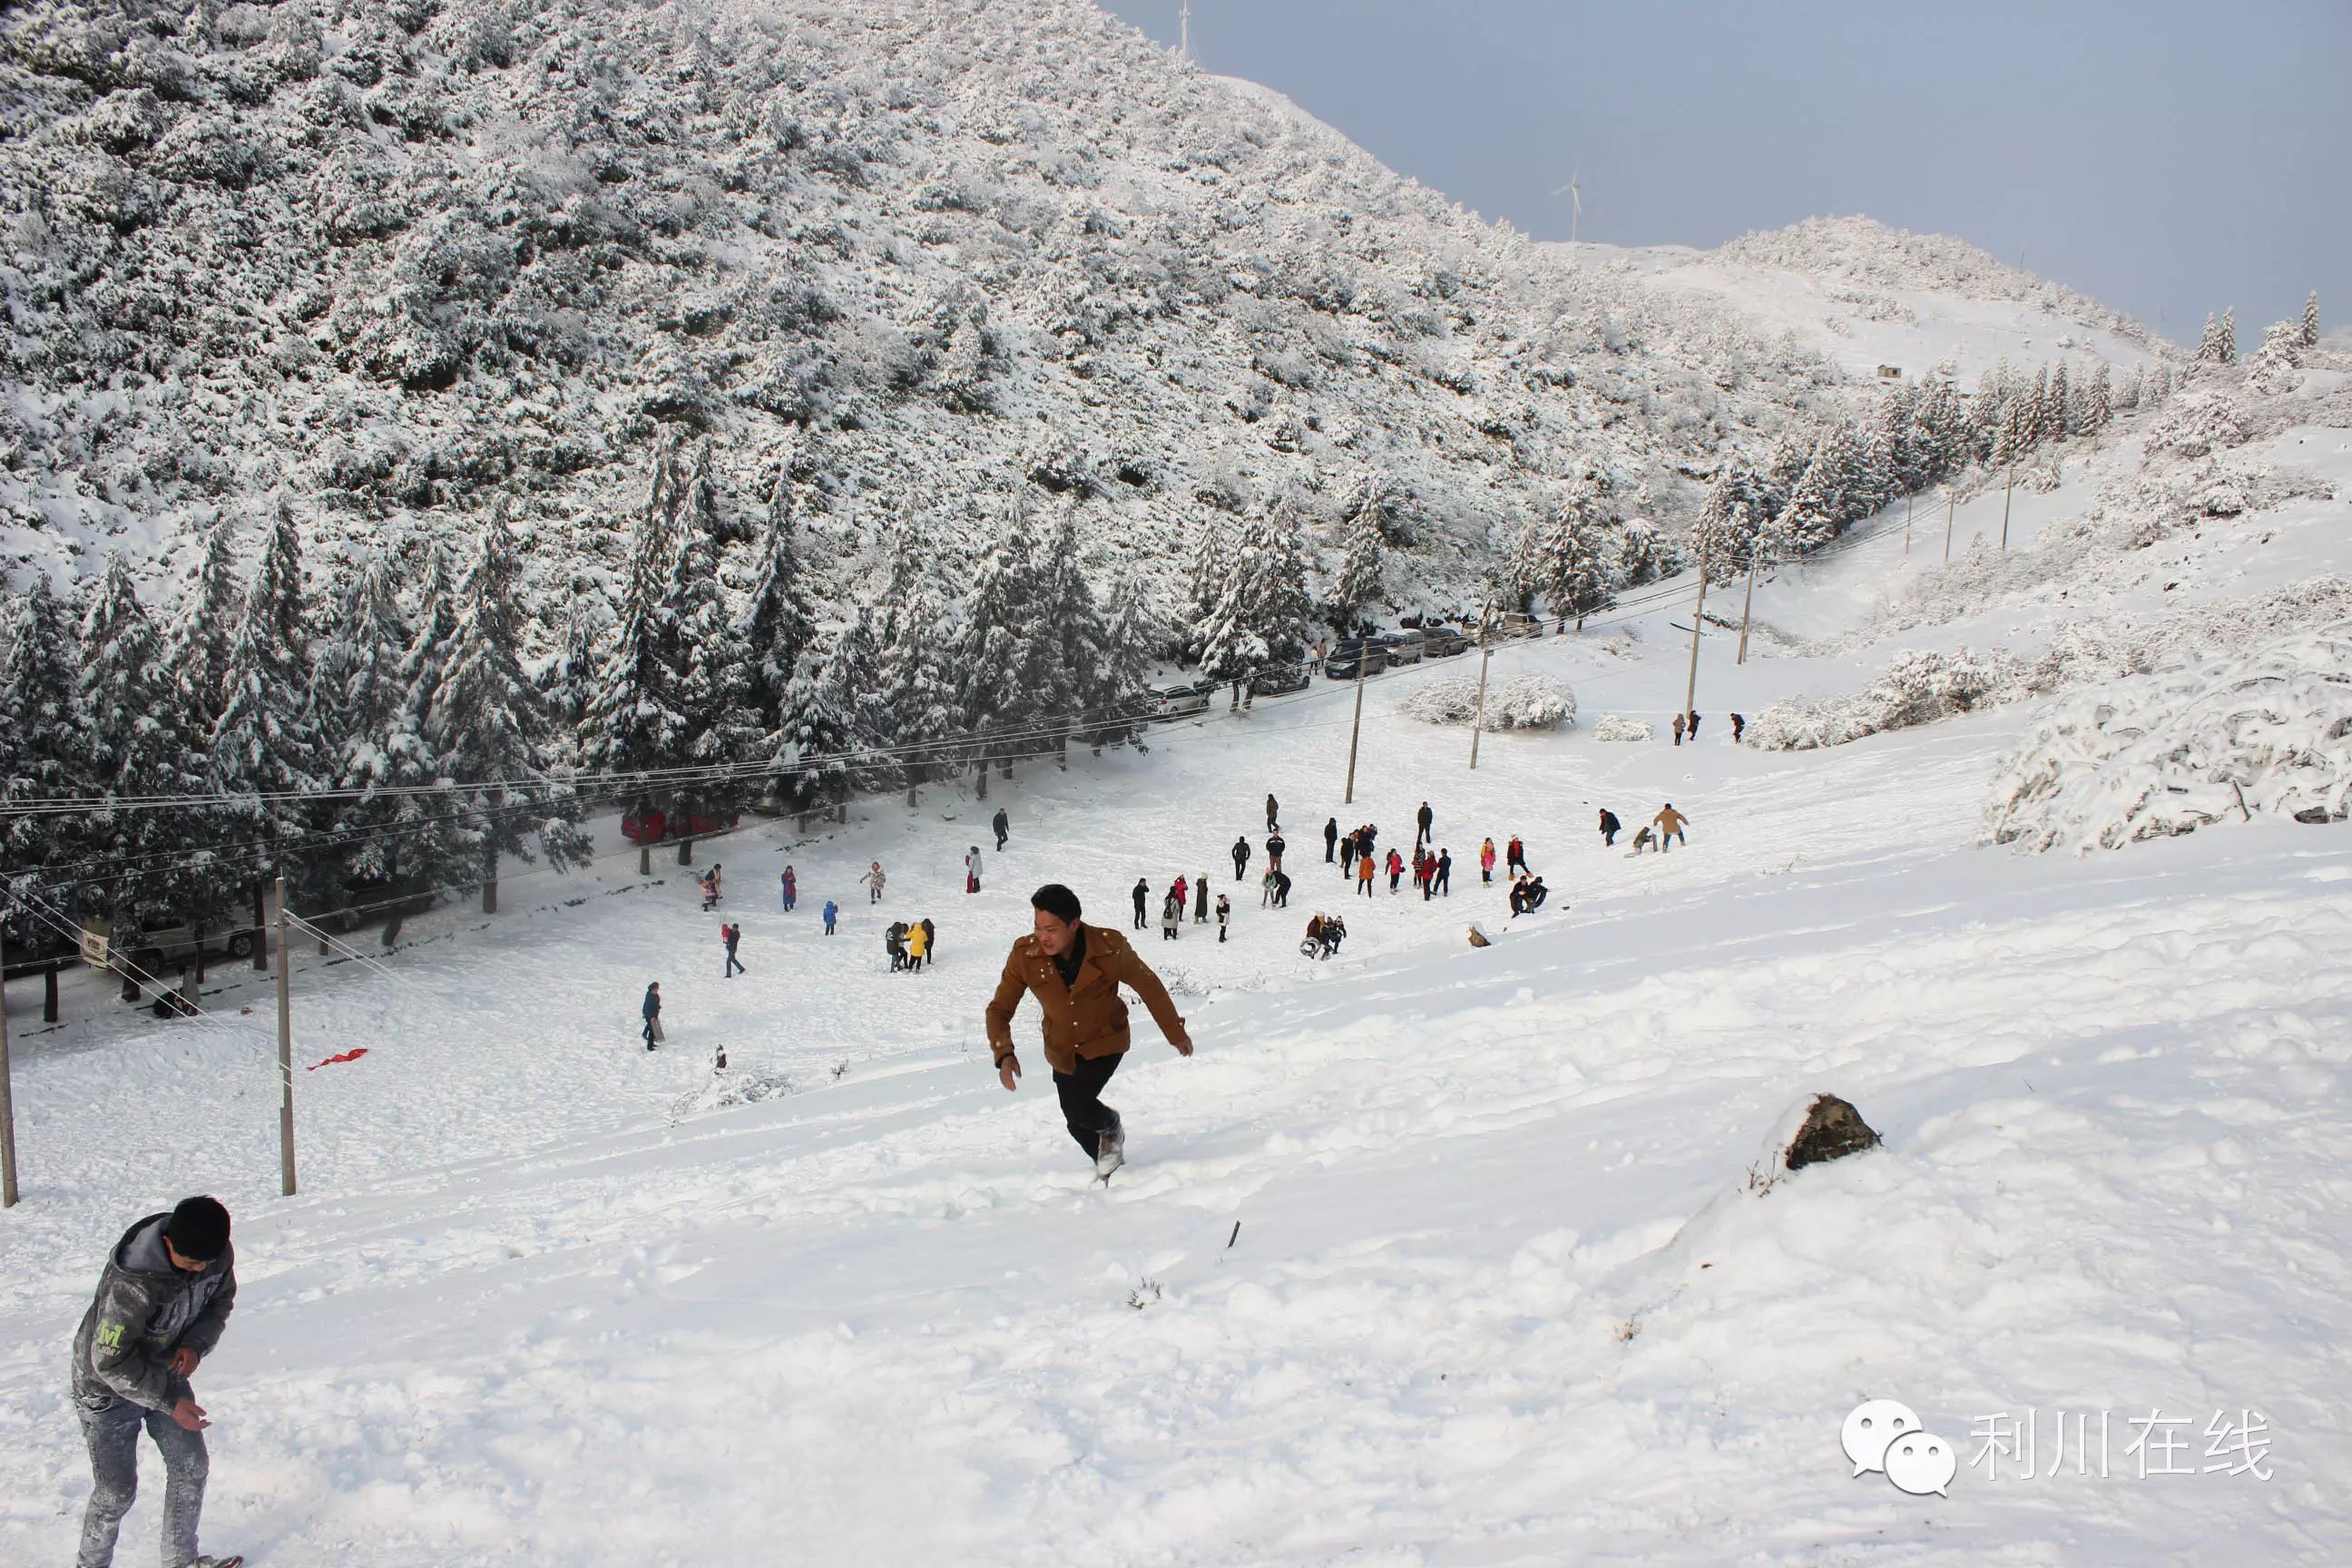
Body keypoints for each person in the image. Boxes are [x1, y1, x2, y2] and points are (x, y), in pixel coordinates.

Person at [71, 1195, 242, 1568]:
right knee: (116, 1492)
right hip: (106, 1389)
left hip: (165, 1369)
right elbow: (109, 1361)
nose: (199, 1270)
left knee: (191, 1466)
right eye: (191, 1262)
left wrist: (195, 1346)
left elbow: (220, 1302)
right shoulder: (131, 1283)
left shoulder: (213, 1252)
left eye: (205, 1263)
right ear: (167, 1244)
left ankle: (180, 1561)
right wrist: (168, 1402)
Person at [986, 884, 1192, 1177]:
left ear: (1074, 924)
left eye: (1051, 929)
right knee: (1074, 1121)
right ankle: (1110, 1161)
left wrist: (1175, 1033)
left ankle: (1111, 1132)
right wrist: (1004, 1053)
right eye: (1038, 927)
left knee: (1080, 1107)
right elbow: (999, 1009)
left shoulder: (1109, 947)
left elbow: (1150, 987)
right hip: (1062, 1049)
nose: (1043, 936)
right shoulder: (1025, 955)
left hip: (1105, 1041)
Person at [642, 983, 662, 1049]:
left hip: (654, 1014)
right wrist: (651, 1017)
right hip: (650, 1016)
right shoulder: (650, 997)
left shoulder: (655, 995)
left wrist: (658, 1006)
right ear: (652, 989)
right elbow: (647, 1008)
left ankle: (650, 1041)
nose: (657, 989)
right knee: (652, 1031)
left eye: (657, 988)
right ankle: (649, 1047)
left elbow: (655, 1003)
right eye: (656, 988)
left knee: (652, 1029)